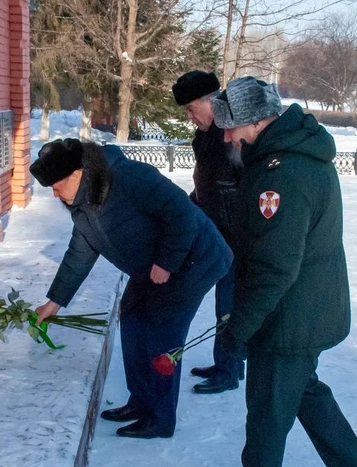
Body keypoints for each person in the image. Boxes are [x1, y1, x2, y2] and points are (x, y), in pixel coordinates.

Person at [183, 77, 357, 467]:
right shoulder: (289, 154)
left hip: (291, 313)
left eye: (233, 127)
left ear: (258, 120)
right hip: (306, 306)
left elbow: (275, 266)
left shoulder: (283, 174)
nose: (228, 136)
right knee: (303, 392)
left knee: (268, 413)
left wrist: (238, 329)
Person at [30, 139, 231, 439]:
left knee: (162, 329)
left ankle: (161, 418)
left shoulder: (129, 177)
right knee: (134, 318)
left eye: (57, 186)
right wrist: (54, 303)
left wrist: (166, 262)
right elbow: (79, 254)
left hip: (193, 258)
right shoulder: (83, 206)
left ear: (77, 173)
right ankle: (141, 401)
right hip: (151, 266)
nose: (55, 194)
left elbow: (182, 214)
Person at [172, 70, 245, 394]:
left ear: (211, 101)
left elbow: (243, 185)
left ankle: (229, 371)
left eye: (191, 109)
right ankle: (226, 363)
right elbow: (209, 184)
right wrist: (189, 206)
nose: (189, 117)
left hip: (237, 233)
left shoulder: (233, 133)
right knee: (224, 300)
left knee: (228, 302)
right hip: (217, 229)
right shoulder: (205, 136)